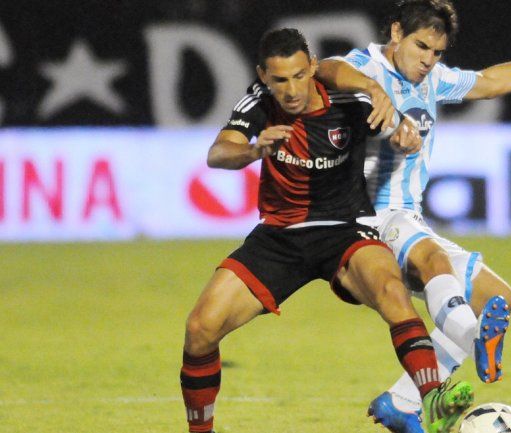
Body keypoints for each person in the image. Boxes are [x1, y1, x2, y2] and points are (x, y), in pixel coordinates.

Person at [179, 28, 475, 433]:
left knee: (392, 292)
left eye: (300, 75)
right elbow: (218, 153)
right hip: (279, 236)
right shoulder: (259, 102)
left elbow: (390, 123)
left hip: (345, 229)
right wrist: (253, 150)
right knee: (200, 329)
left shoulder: (351, 100)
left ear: (313, 68)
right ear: (263, 75)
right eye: (280, 79)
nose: (291, 89)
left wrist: (402, 131)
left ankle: (433, 398)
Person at [316, 1, 511, 432]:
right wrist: (373, 91)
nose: (428, 60)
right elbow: (324, 69)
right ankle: (473, 337)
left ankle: (401, 403)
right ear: (397, 33)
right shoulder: (365, 66)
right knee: (433, 261)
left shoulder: (433, 80)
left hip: (408, 216)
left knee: (498, 296)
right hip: (368, 220)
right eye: (421, 47)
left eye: (437, 52)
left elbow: (492, 81)